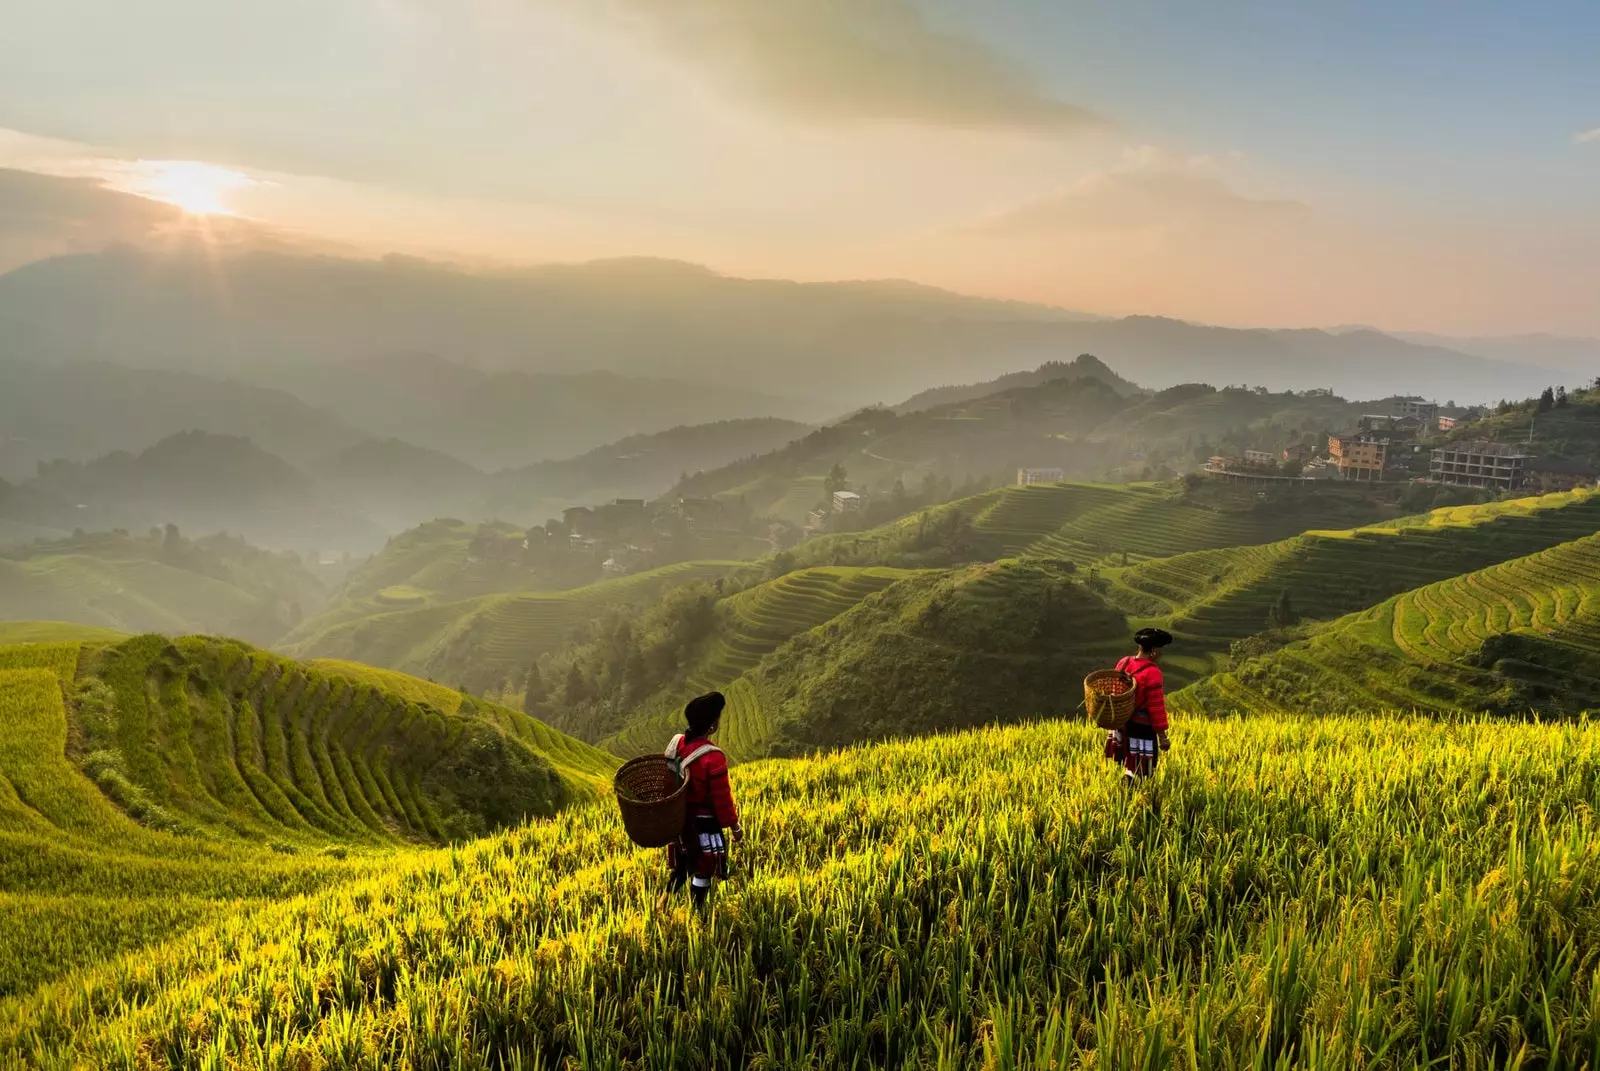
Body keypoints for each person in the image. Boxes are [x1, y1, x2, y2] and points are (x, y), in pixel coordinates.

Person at [664, 691, 743, 909]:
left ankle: (662, 903)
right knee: (703, 868)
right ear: (711, 725)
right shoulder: (713, 757)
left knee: (683, 864)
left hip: (680, 821)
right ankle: (698, 910)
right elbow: (722, 799)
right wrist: (735, 827)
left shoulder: (677, 744)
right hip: (703, 824)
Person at [1104, 628, 1172, 784]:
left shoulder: (1124, 662)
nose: (1162, 653)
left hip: (1122, 723)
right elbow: (1156, 708)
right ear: (1154, 650)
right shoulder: (1152, 672)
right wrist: (1163, 737)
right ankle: (1129, 796)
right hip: (1141, 728)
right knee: (1141, 768)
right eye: (1161, 649)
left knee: (1129, 761)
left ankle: (1126, 794)